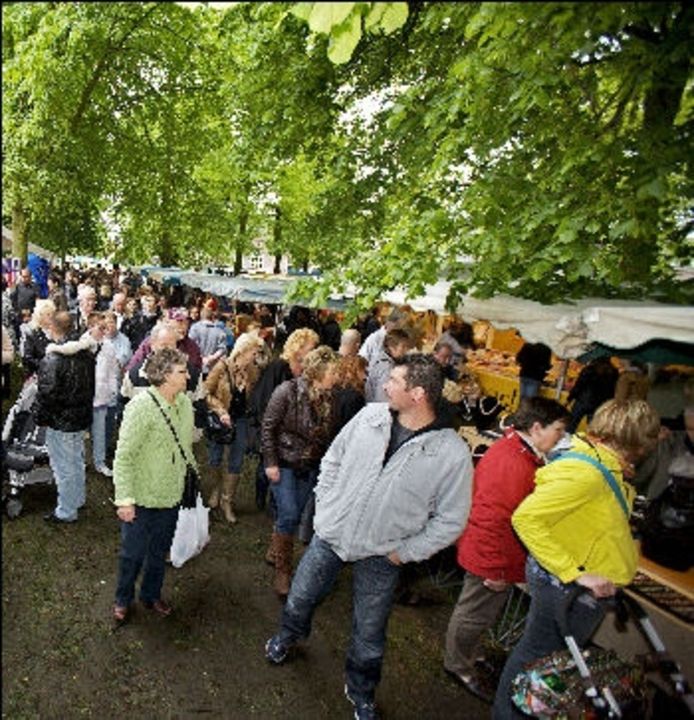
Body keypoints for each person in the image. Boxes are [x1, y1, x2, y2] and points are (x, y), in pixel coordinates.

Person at [265, 354, 474, 720]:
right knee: (300, 596)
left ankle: (361, 690)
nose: (384, 385)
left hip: (383, 553)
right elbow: (332, 461)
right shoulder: (369, 416)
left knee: (370, 631)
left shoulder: (450, 452)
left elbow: (451, 519)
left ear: (418, 394)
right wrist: (327, 508)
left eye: (394, 380)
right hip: (333, 534)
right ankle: (288, 635)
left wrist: (406, 552)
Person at [492, 399, 660, 719]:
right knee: (539, 657)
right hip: (566, 586)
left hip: (574, 582)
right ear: (639, 440)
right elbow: (526, 519)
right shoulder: (588, 473)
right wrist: (576, 573)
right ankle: (510, 713)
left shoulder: (597, 463)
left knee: (547, 658)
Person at [444, 397, 570, 701]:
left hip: (489, 550)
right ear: (537, 428)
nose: (562, 438)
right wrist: (499, 568)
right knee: (474, 613)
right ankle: (458, 665)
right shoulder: (515, 460)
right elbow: (498, 519)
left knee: (481, 613)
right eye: (559, 430)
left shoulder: (515, 448)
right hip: (490, 554)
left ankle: (470, 655)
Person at [112, 348, 196, 624]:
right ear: (164, 376)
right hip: (141, 497)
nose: (188, 375)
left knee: (159, 552)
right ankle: (123, 598)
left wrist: (192, 480)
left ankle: (150, 595)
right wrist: (124, 499)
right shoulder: (140, 406)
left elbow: (186, 447)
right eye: (182, 372)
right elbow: (124, 455)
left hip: (171, 495)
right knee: (132, 555)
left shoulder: (184, 403)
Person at [262, 345, 339, 597]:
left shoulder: (331, 397)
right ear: (318, 372)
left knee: (290, 516)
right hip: (284, 462)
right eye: (333, 372)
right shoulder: (287, 391)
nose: (336, 377)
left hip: (309, 466)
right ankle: (283, 572)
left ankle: (276, 549)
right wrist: (271, 462)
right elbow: (268, 428)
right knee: (290, 514)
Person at [32, 311, 96, 524]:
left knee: (63, 467)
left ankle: (67, 510)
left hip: (61, 422)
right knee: (76, 461)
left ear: (54, 328)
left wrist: (39, 417)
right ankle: (76, 499)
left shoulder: (54, 358)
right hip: (79, 417)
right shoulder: (86, 354)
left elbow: (47, 394)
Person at [249, 327, 320, 512]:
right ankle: (261, 494)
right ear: (299, 347)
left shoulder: (303, 371)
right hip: (271, 426)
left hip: (286, 432)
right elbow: (264, 400)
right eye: (311, 347)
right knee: (266, 465)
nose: (314, 351)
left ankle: (273, 502)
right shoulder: (279, 367)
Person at [204, 332, 268, 524]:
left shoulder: (253, 372)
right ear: (243, 350)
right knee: (215, 458)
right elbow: (206, 392)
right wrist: (220, 410)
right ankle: (216, 488)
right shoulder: (222, 367)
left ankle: (227, 501)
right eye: (253, 352)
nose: (255, 356)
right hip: (219, 419)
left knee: (236, 461)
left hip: (240, 420)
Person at [566, 356, 618, 433]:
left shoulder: (589, 369)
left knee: (571, 425)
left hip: (582, 401)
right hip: (599, 404)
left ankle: (565, 442)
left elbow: (579, 386)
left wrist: (569, 399)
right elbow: (613, 391)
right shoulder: (614, 372)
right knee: (593, 429)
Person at [364, 328, 414, 403]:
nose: (406, 351)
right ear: (391, 347)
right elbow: (382, 400)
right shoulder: (386, 367)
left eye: (407, 347)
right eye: (403, 347)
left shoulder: (380, 359)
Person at [189, 305, 228, 379]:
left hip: (196, 367)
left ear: (201, 317)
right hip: (212, 369)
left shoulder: (194, 328)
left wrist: (202, 359)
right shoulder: (220, 331)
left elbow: (190, 346)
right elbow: (222, 349)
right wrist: (212, 358)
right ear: (212, 318)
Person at [21, 299, 56, 379]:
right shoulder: (31, 334)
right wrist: (47, 365)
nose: (51, 317)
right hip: (40, 375)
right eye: (48, 314)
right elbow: (27, 358)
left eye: (52, 314)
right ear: (40, 316)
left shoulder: (57, 331)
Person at [333, 355, 368, 434]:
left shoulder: (335, 390)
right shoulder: (355, 396)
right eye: (363, 371)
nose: (365, 377)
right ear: (355, 371)